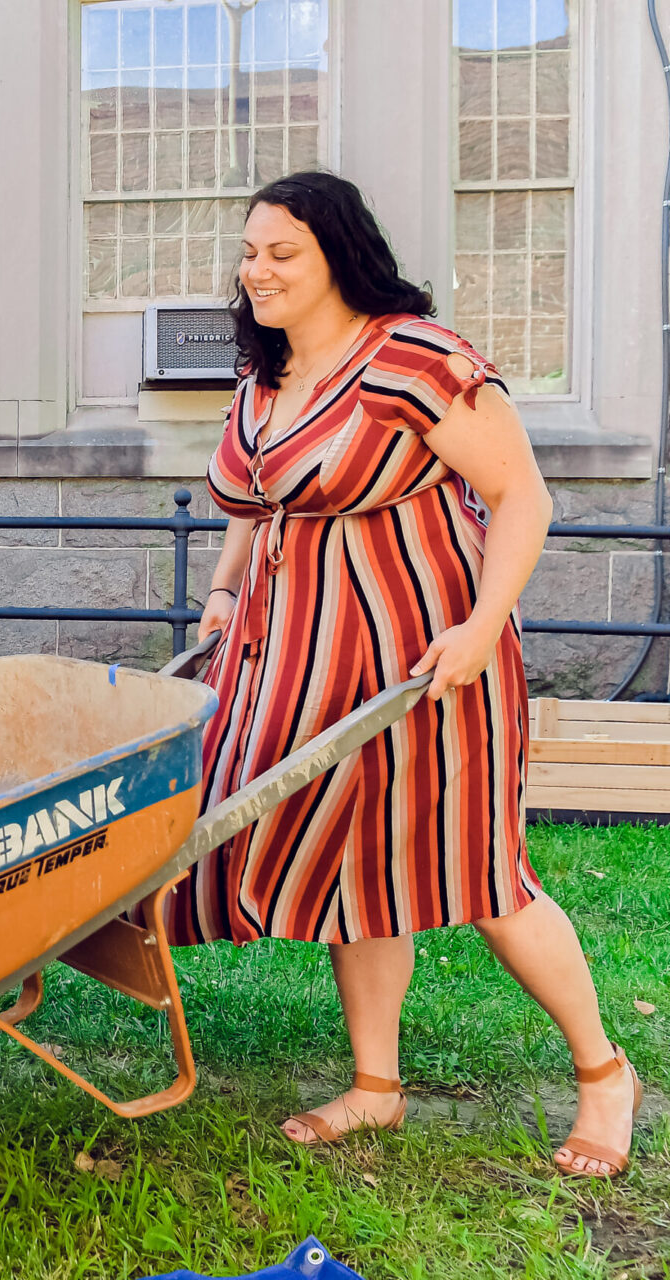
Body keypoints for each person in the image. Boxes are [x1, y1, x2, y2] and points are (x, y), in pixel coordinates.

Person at [176, 170, 639, 1178]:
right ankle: (376, 1086)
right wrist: (222, 589)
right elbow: (256, 506)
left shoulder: (413, 361)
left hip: (425, 662)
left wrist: (481, 624)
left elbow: (522, 497)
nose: (257, 270)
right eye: (250, 252)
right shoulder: (269, 375)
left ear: (340, 253)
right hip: (295, 660)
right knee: (356, 868)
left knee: (480, 875)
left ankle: (604, 1072)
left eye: (281, 252)